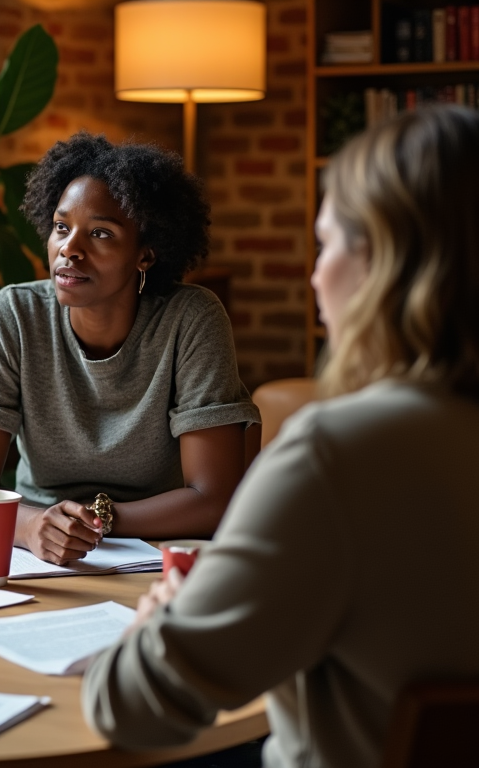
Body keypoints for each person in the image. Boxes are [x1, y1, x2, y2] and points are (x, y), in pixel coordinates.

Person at [81, 105, 479, 767]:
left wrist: (170, 613)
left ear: (385, 261)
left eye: (327, 246)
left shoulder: (338, 455)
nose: (314, 276)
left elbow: (130, 705)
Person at [0, 134, 260, 564]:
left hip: (158, 551)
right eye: (61, 227)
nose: (69, 249)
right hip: (35, 553)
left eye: (100, 233)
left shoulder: (191, 320)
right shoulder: (14, 316)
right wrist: (33, 525)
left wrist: (95, 522)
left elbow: (212, 499)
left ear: (145, 255)